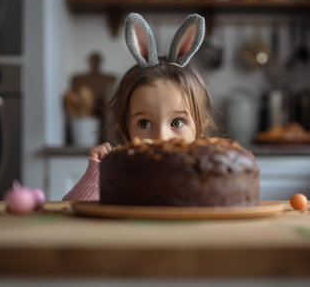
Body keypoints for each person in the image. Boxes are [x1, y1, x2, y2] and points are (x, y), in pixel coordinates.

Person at [62, 13, 218, 201]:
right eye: (144, 123)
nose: (161, 138)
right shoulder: (119, 177)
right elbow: (71, 210)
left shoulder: (209, 176)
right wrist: (97, 173)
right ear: (125, 131)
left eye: (177, 122)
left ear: (199, 130)